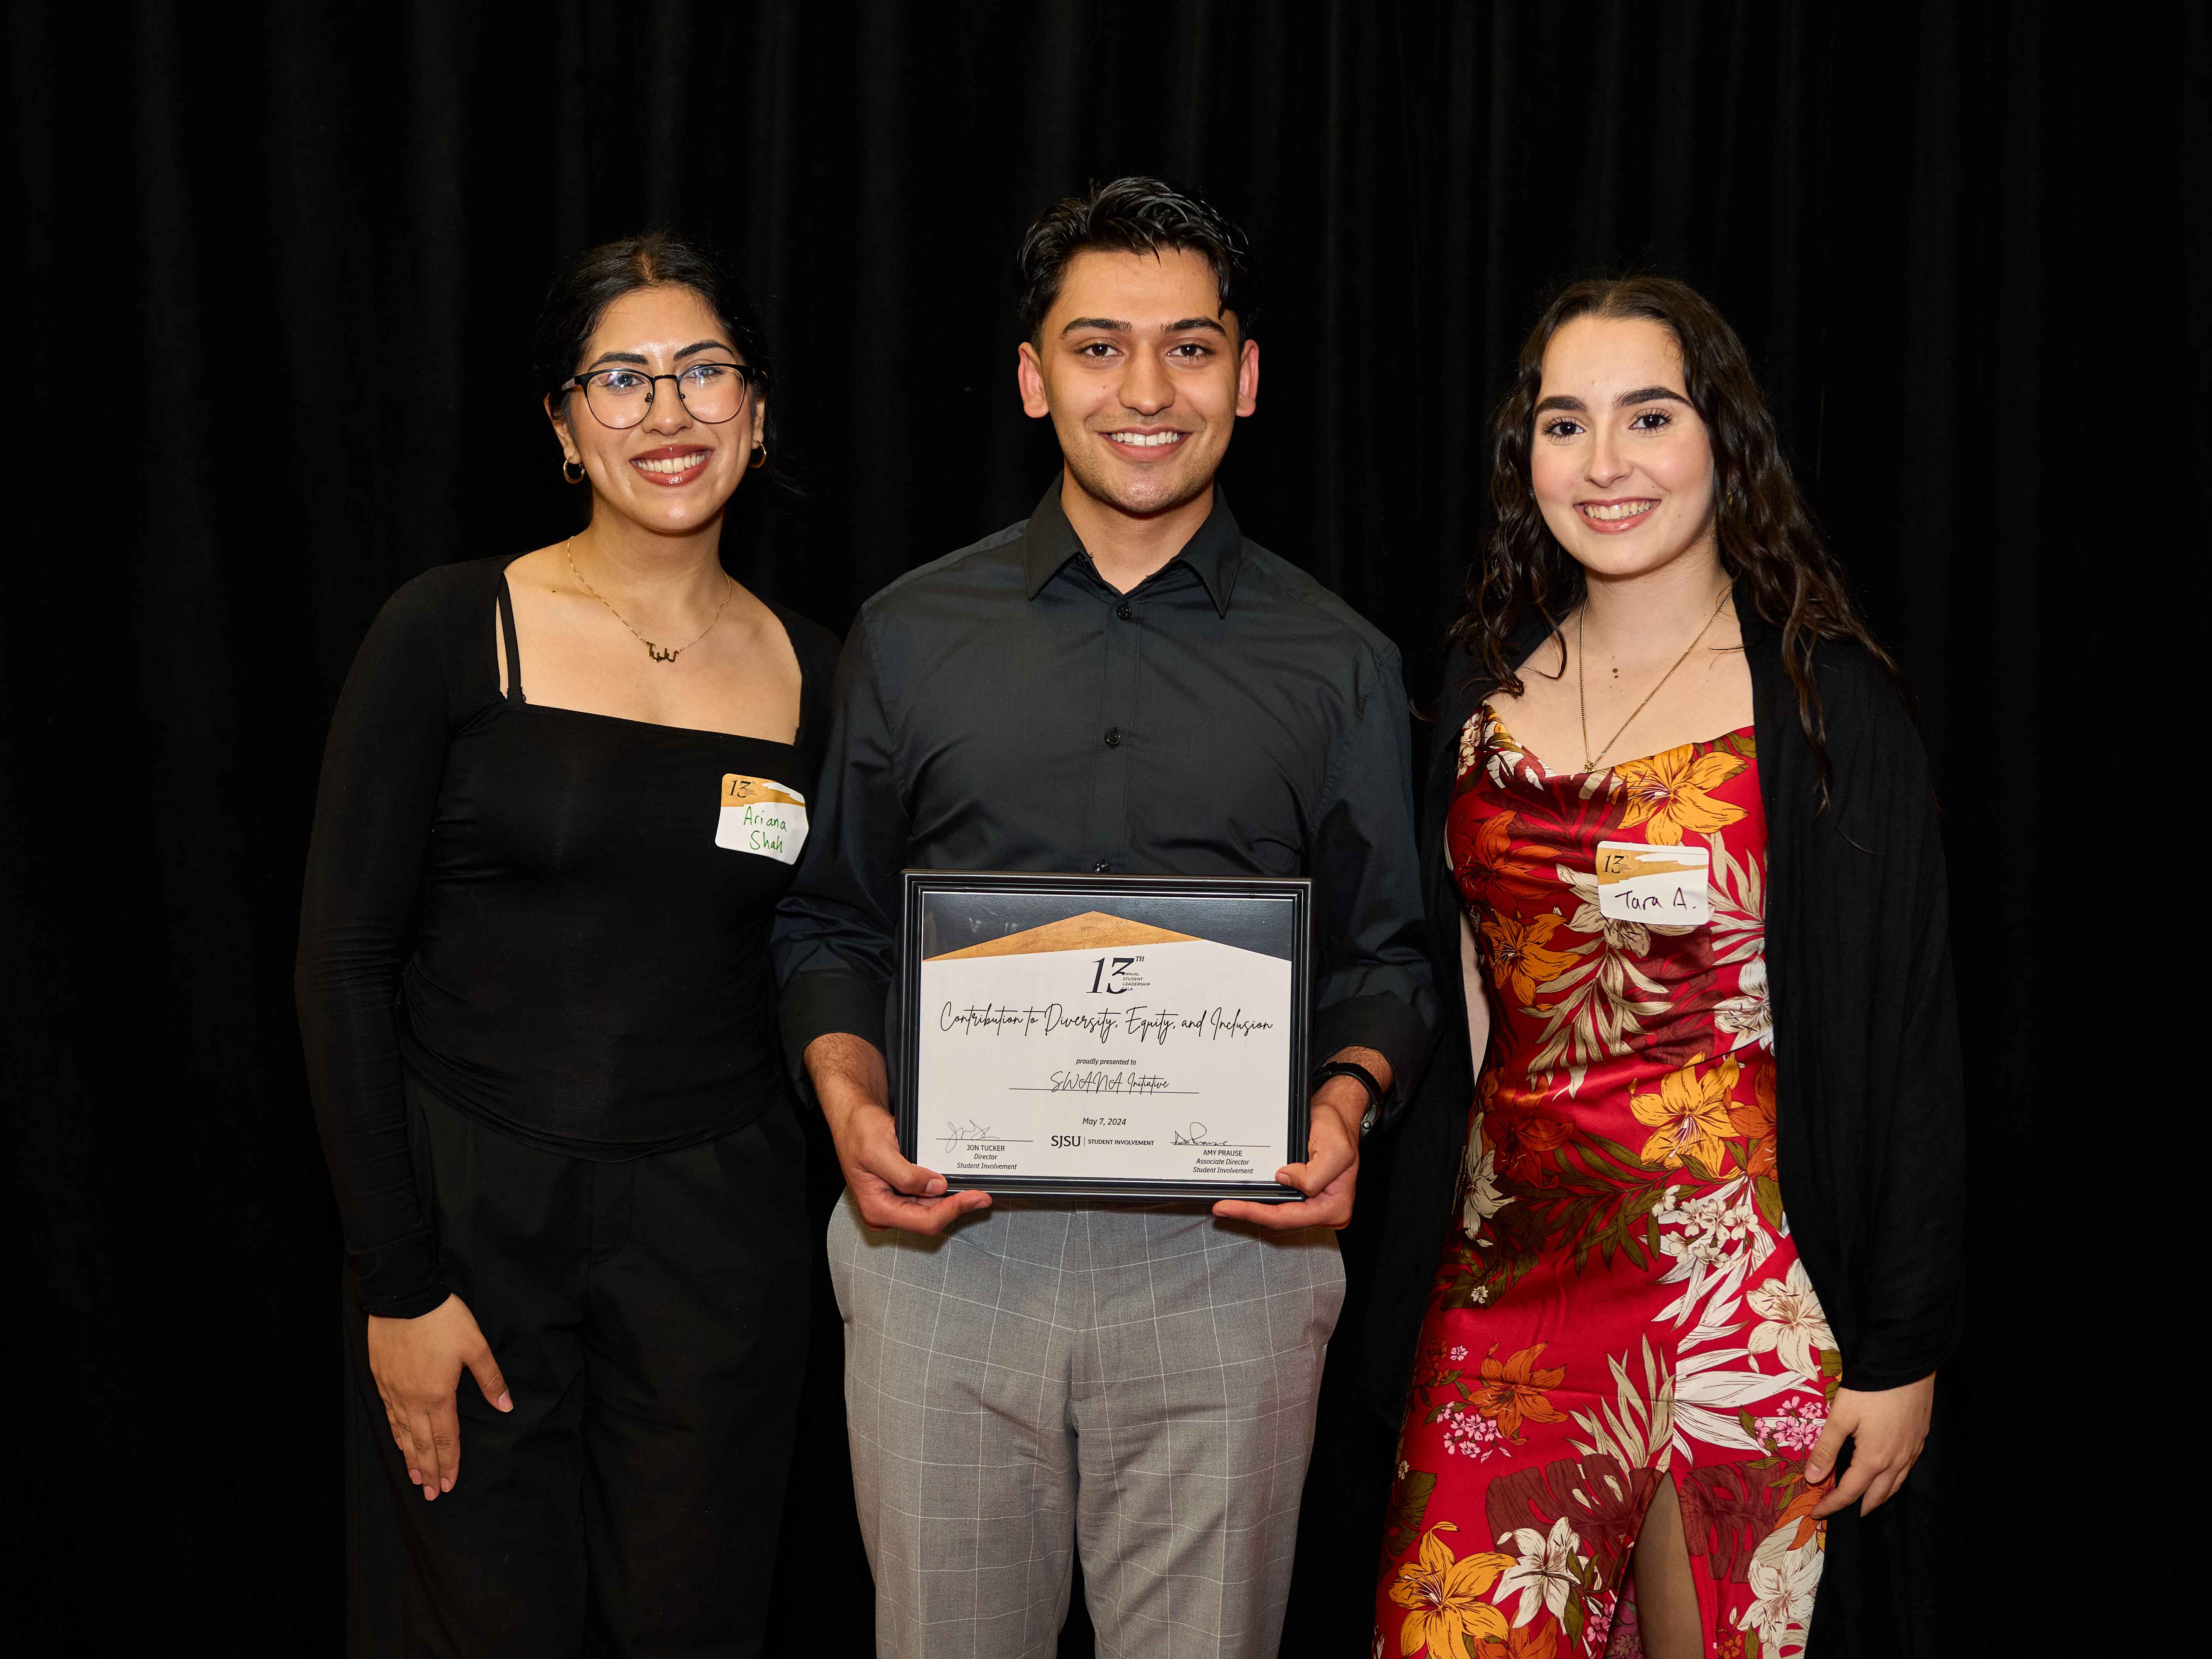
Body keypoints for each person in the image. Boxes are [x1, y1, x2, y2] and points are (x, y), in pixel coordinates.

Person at [772, 176, 1437, 1659]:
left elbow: (1390, 957)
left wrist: (1345, 1108)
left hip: (1231, 1262)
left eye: (1191, 348)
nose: (1147, 391)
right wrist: (849, 1104)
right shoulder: (909, 632)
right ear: (1032, 377)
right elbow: (831, 923)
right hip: (947, 1251)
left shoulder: (1338, 661)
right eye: (1097, 346)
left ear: (1247, 377)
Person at [1363, 277, 1963, 1659]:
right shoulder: (1475, 684)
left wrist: (1903, 1346)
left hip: (1746, 1300)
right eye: (1565, 424)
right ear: (1528, 460)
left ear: (1724, 442)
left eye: (1649, 415)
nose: (1607, 461)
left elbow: (1915, 1042)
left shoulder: (1825, 709)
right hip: (1508, 1287)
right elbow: (1461, 977)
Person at [296, 231, 838, 1658]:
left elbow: (835, 951)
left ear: (761, 411)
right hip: (471, 1221)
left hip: (721, 1242)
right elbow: (342, 966)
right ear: (562, 424)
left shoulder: (822, 671)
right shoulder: (446, 629)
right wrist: (398, 1283)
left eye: (705, 371)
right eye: (621, 378)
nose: (669, 413)